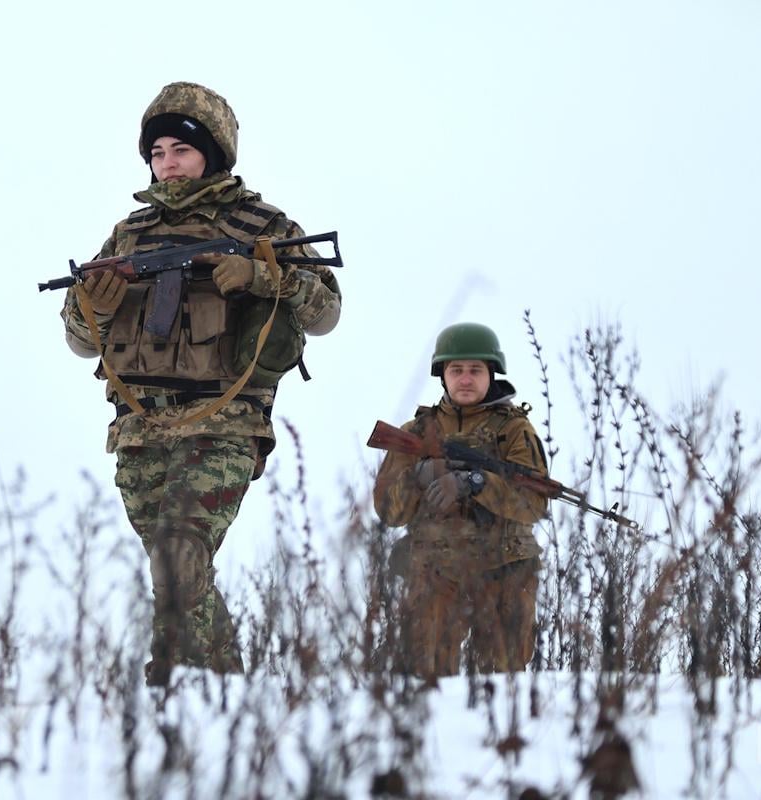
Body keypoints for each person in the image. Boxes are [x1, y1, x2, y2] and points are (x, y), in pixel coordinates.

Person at [59, 81, 342, 686]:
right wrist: (93, 308)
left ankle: (179, 687)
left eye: (181, 150)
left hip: (224, 421)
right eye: (157, 152)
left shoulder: (263, 223)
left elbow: (326, 313)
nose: (168, 163)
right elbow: (79, 340)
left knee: (179, 556)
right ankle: (223, 692)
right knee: (177, 574)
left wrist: (266, 277)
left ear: (212, 154)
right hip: (140, 427)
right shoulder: (129, 235)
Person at [372, 322, 547, 679]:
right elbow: (388, 512)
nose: (465, 379)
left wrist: (476, 483)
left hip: (505, 567)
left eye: (475, 370)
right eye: (456, 370)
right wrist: (418, 476)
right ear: (442, 375)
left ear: (491, 373)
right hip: (434, 570)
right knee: (426, 675)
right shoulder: (416, 433)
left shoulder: (515, 431)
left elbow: (534, 503)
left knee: (504, 679)